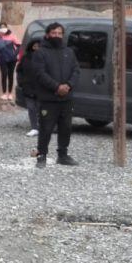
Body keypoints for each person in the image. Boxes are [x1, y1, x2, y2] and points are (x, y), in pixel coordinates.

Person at [32, 22, 80, 168]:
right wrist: (56, 87)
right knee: (46, 128)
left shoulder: (69, 52)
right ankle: (42, 156)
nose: (57, 36)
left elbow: (76, 71)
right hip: (49, 99)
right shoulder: (40, 53)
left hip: (66, 99)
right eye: (54, 33)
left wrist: (69, 85)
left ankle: (63, 155)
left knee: (66, 128)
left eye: (59, 33)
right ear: (47, 34)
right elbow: (40, 74)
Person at [16, 39, 42, 137]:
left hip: (41, 87)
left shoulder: (45, 58)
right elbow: (19, 70)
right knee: (31, 108)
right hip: (28, 86)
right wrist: (21, 82)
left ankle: (42, 127)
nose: (36, 48)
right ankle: (34, 127)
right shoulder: (25, 58)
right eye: (35, 46)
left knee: (41, 108)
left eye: (38, 46)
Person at [0, 22, 21, 101]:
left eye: (4, 26)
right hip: (3, 59)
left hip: (12, 60)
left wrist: (14, 54)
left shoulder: (12, 35)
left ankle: (10, 93)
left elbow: (19, 45)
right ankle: (4, 93)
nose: (3, 28)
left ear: (7, 27)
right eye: (1, 27)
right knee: (4, 75)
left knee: (11, 75)